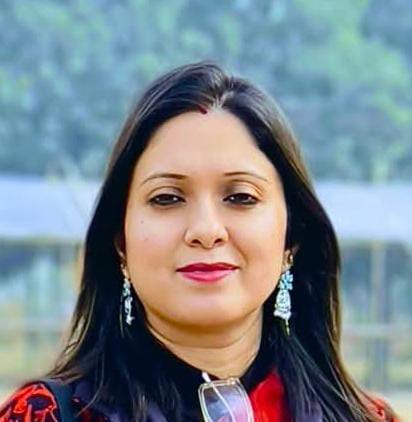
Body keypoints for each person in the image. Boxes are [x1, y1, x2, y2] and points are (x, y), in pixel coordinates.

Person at [0, 61, 399, 422]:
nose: (206, 230)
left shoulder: (368, 418)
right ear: (120, 241)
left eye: (240, 197)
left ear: (291, 238)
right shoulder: (44, 415)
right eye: (167, 198)